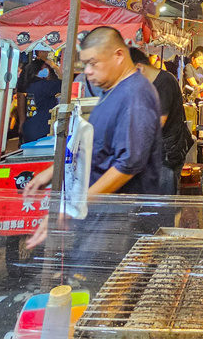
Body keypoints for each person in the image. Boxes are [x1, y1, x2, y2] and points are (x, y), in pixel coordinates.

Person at [22, 27, 162, 274]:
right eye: (85, 64)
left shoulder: (135, 94)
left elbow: (127, 165)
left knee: (101, 291)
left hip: (120, 222)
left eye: (93, 63)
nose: (87, 71)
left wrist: (72, 207)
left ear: (119, 55)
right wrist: (53, 171)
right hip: (102, 217)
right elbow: (96, 147)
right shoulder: (113, 91)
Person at [130, 47, 193, 195]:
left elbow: (158, 122)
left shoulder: (164, 82)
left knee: (162, 205)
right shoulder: (146, 84)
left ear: (139, 68)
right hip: (155, 153)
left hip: (167, 155)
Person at [17, 58, 61, 145]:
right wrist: (54, 66)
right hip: (42, 130)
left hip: (29, 129)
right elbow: (65, 83)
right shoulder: (44, 86)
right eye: (46, 68)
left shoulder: (30, 86)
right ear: (39, 71)